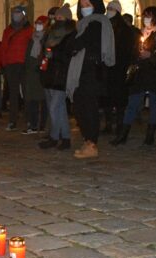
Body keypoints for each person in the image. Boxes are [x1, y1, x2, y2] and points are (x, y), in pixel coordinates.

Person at [68, 0, 116, 159]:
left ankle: (92, 143)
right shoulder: (83, 24)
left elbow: (80, 43)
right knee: (80, 107)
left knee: (88, 108)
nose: (84, 8)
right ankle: (87, 139)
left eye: (87, 4)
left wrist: (73, 45)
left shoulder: (96, 23)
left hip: (91, 72)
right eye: (81, 5)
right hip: (83, 71)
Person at [111, 6, 156, 146]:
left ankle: (150, 135)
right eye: (145, 15)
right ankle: (123, 134)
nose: (146, 19)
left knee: (153, 104)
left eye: (149, 16)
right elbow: (132, 52)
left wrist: (150, 56)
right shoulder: (140, 33)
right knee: (132, 103)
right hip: (139, 73)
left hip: (153, 73)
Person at [39, 6, 77, 150]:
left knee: (55, 107)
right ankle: (65, 138)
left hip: (61, 75)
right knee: (58, 109)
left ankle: (54, 137)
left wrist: (54, 54)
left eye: (61, 17)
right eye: (57, 17)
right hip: (49, 73)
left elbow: (69, 55)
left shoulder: (71, 34)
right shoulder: (50, 32)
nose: (58, 19)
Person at [104, 0, 136, 135]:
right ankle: (108, 124)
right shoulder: (105, 25)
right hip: (106, 68)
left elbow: (127, 50)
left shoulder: (124, 29)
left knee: (119, 100)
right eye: (108, 8)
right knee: (107, 98)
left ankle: (119, 125)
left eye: (112, 8)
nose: (109, 10)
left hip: (119, 68)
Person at [1, 6, 34, 131]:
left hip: (24, 65)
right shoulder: (7, 31)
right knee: (13, 94)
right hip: (11, 65)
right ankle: (12, 120)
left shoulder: (29, 30)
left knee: (27, 93)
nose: (16, 15)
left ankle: (29, 120)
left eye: (19, 13)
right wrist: (4, 64)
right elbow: (3, 48)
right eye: (14, 13)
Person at [22, 15, 49, 135]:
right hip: (31, 73)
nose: (38, 25)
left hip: (41, 73)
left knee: (43, 100)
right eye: (37, 22)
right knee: (31, 100)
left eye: (41, 23)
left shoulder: (47, 38)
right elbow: (27, 55)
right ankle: (32, 125)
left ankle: (42, 125)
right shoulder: (32, 39)